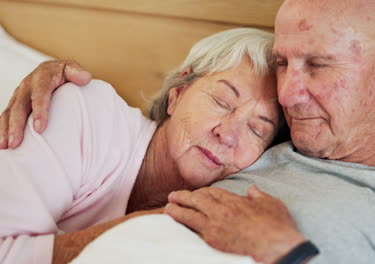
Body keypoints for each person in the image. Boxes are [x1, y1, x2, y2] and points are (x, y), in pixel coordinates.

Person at [2, 0, 375, 263]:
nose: (289, 92)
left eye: (320, 64)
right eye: (284, 64)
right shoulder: (286, 134)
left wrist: (287, 253)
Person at [0, 28, 284, 264]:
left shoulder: (226, 216)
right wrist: (151, 223)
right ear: (177, 93)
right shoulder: (85, 112)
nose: (229, 134)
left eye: (257, 130)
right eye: (221, 101)